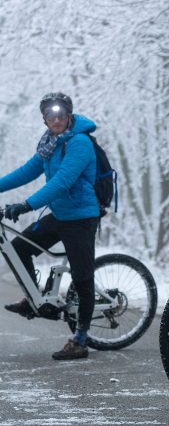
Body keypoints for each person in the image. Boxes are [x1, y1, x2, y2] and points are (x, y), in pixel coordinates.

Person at [0, 92, 100, 361]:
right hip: (60, 215)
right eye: (50, 115)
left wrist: (26, 205)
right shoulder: (50, 144)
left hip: (81, 218)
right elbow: (26, 172)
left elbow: (63, 182)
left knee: (82, 278)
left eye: (60, 114)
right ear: (44, 119)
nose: (55, 119)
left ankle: (80, 339)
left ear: (68, 115)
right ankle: (35, 301)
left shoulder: (79, 143)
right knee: (19, 248)